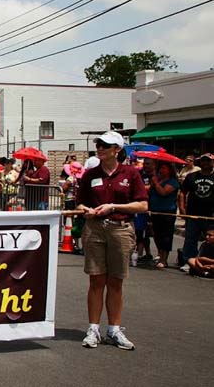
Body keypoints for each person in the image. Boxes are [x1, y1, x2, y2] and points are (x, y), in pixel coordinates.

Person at [76, 131, 147, 350]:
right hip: (95, 229)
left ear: (117, 149)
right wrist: (85, 210)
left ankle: (114, 329)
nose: (100, 148)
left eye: (105, 145)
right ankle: (93, 328)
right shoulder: (90, 174)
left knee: (116, 281)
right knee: (96, 280)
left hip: (121, 228)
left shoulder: (131, 173)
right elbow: (79, 203)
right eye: (99, 145)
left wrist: (114, 207)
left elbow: (142, 205)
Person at [179, 153, 214, 272]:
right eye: (203, 161)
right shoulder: (192, 176)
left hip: (210, 215)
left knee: (210, 240)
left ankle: (208, 262)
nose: (205, 163)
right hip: (193, 213)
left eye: (208, 161)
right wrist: (182, 208)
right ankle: (189, 261)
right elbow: (182, 192)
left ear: (212, 163)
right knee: (190, 239)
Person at [148, 162, 179, 269]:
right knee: (157, 235)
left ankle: (164, 259)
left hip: (167, 212)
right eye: (160, 168)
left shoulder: (173, 182)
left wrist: (156, 183)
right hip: (155, 211)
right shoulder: (158, 180)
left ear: (170, 170)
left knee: (166, 236)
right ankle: (159, 255)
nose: (161, 170)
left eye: (164, 168)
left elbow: (164, 192)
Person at [133, 158, 156, 266]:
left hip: (153, 206)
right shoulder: (139, 174)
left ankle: (150, 254)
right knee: (140, 232)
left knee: (151, 232)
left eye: (148, 164)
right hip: (141, 207)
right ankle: (141, 254)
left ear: (154, 165)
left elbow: (151, 188)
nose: (145, 166)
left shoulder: (156, 176)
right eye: (144, 163)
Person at [62, 161, 84, 253]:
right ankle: (78, 244)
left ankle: (73, 242)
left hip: (70, 201)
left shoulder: (71, 178)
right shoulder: (82, 178)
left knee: (68, 221)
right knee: (78, 222)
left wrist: (62, 188)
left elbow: (65, 188)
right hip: (79, 201)